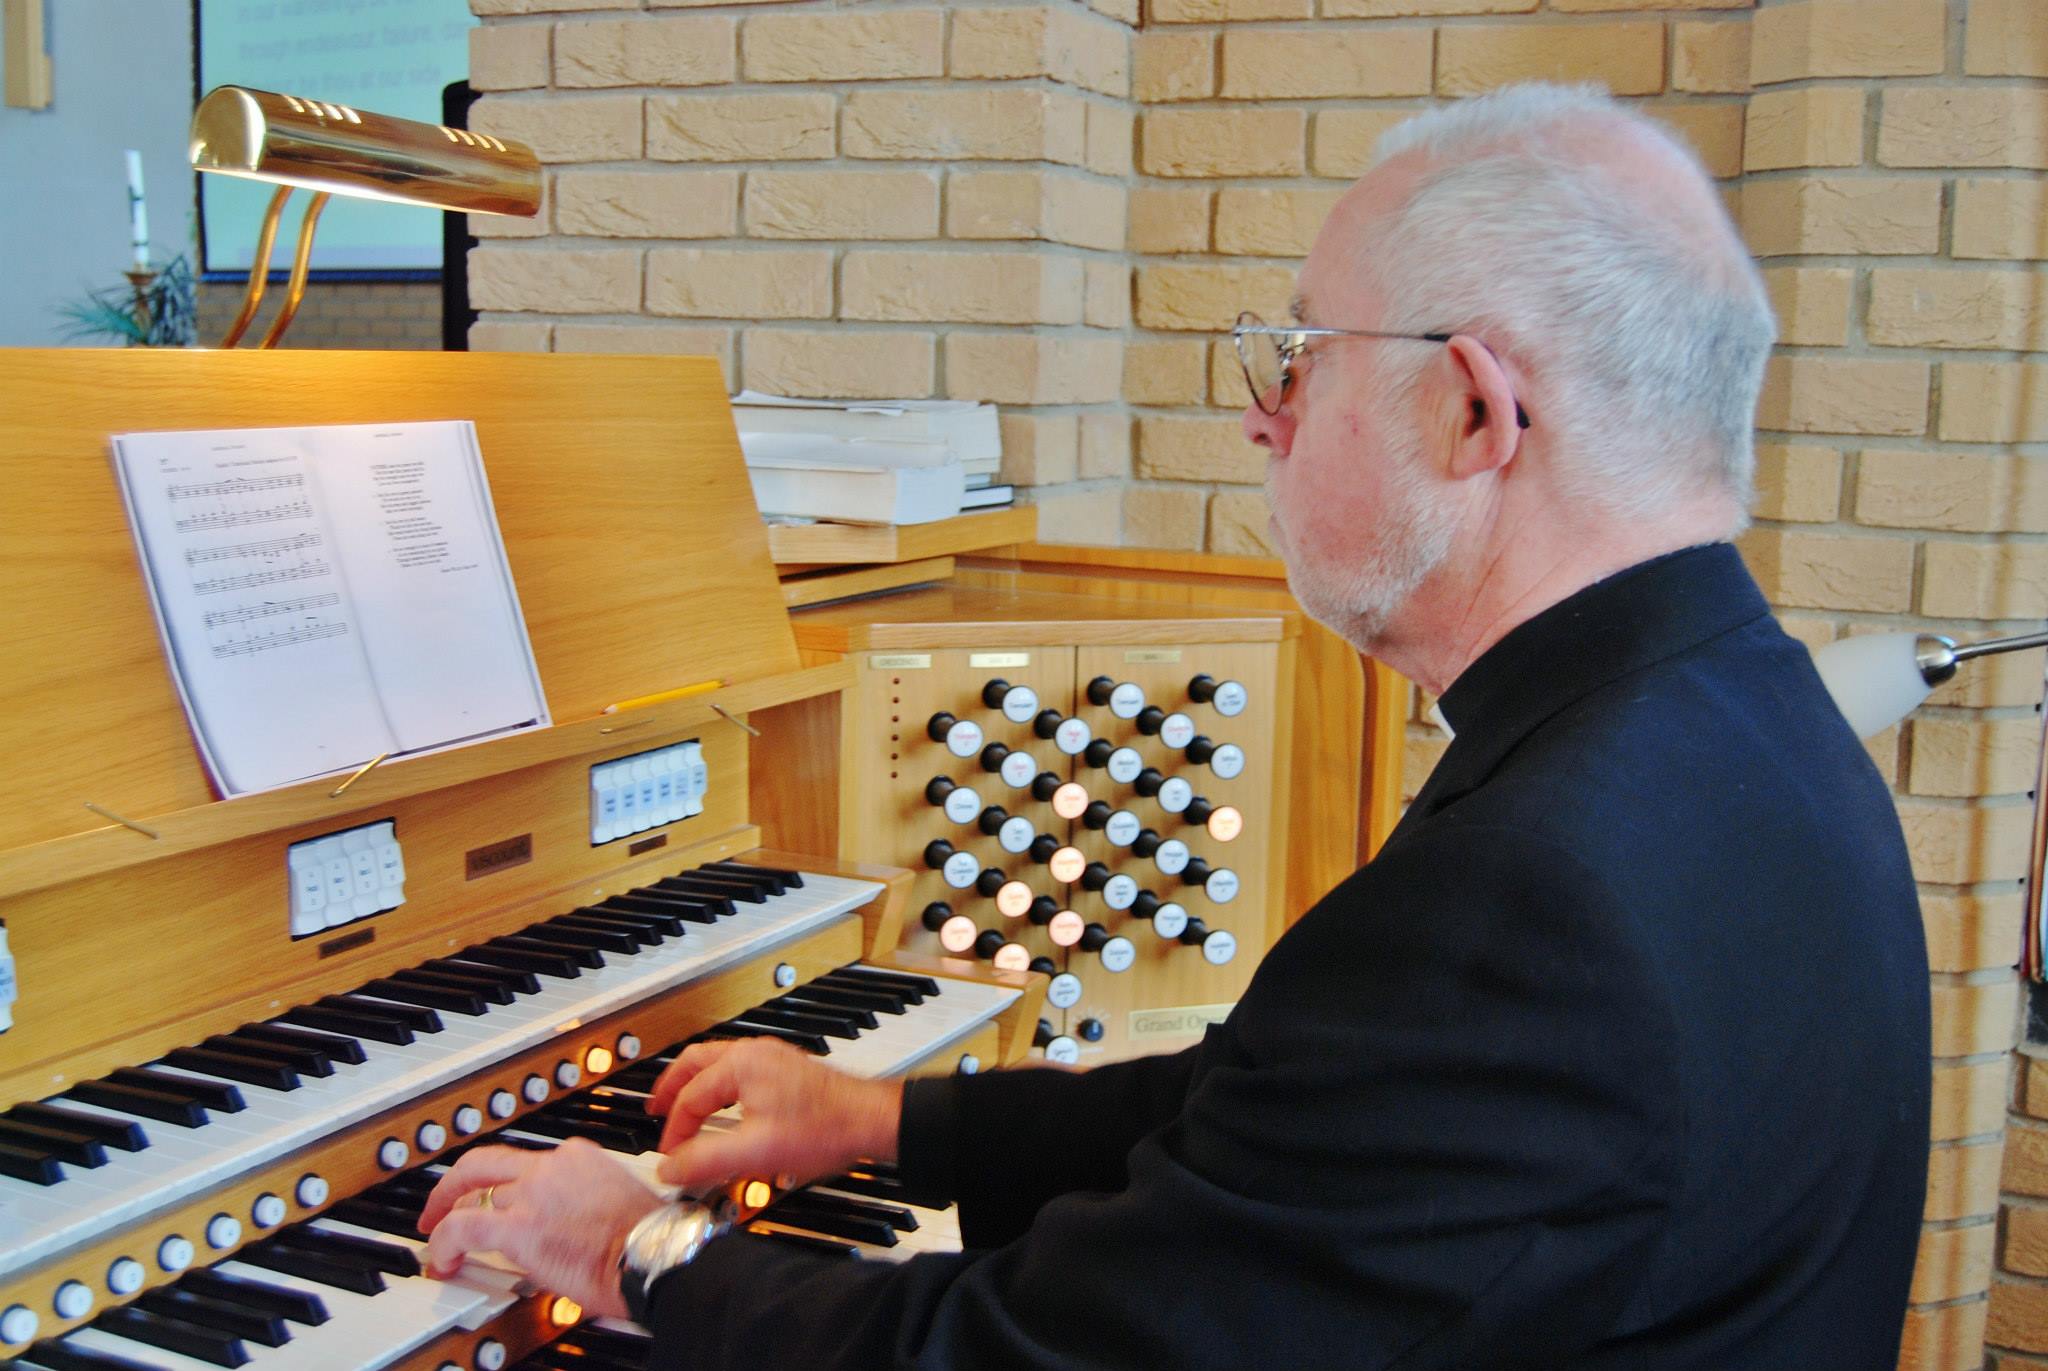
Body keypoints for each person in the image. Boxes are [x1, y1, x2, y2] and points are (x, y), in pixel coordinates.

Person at [419, 82, 1931, 1369]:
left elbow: (1033, 1353)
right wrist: (887, 1119)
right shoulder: (1746, 724)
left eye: (1298, 359)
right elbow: (1293, 1104)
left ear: (1475, 414)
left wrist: (648, 1253)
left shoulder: (1536, 900)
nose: (1265, 419)